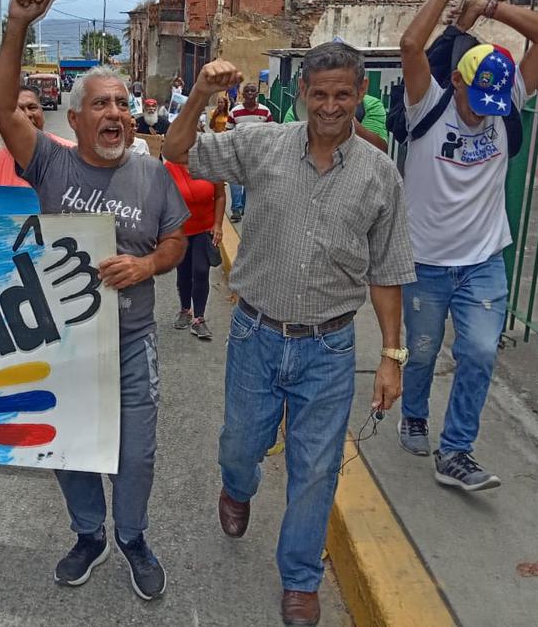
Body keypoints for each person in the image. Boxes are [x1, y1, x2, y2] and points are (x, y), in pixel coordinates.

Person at [163, 45, 415, 627]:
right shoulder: (262, 144)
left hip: (329, 348)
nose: (331, 106)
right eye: (321, 93)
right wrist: (201, 91)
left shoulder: (381, 174)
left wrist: (392, 357)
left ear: (359, 97)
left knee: (317, 468)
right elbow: (176, 150)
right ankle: (236, 487)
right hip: (256, 335)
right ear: (302, 93)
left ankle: (300, 578)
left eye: (343, 95)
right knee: (239, 446)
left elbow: (388, 271)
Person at [0, 0, 189, 602]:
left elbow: (178, 239)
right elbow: (1, 107)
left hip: (132, 341)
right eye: (100, 103)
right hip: (64, 340)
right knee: (71, 441)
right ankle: (88, 536)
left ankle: (132, 537)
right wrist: (18, 24)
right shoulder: (51, 164)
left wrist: (149, 263)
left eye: (122, 103)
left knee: (137, 451)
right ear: (73, 119)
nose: (115, 113)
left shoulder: (153, 174)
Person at [396, 0, 538, 491]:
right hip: (425, 262)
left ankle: (457, 452)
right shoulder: (430, 104)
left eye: (495, 107)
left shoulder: (503, 98)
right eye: (475, 101)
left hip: (484, 261)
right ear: (459, 82)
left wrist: (490, 7)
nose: (484, 115)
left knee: (479, 351)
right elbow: (410, 43)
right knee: (419, 354)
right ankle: (414, 413)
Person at [165, 159, 225, 339]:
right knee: (183, 272)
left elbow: (220, 195)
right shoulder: (169, 168)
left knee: (200, 270)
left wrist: (218, 224)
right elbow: (161, 198)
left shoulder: (211, 164)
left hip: (205, 229)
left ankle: (199, 318)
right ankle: (185, 309)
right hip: (180, 230)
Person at [0, 82, 75, 187]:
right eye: (19, 110)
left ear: (42, 112)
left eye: (32, 107)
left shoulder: (70, 153)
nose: (27, 114)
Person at [284, 90, 388, 153]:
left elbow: (379, 150)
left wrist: (349, 120)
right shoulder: (299, 108)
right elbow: (287, 148)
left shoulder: (370, 106)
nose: (329, 108)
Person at [227, 83, 272, 222]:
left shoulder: (266, 111)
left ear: (257, 93)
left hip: (257, 155)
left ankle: (246, 207)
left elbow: (271, 132)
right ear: (242, 94)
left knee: (250, 182)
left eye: (253, 90)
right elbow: (228, 132)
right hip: (237, 153)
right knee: (235, 181)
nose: (250, 92)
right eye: (247, 90)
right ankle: (236, 209)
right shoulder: (234, 112)